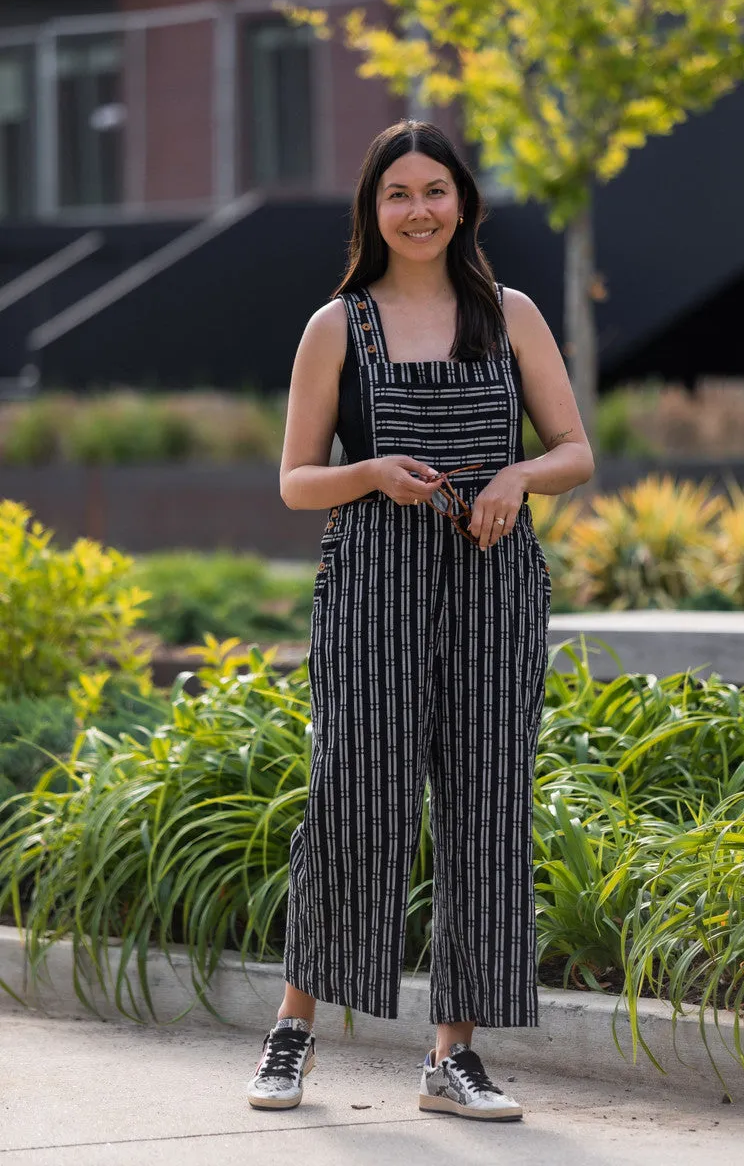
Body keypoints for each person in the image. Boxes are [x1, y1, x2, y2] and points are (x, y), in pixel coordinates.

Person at [246, 118, 594, 1122]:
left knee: (486, 808)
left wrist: (519, 475)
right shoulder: (336, 325)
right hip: (371, 586)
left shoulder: (511, 313)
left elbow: (573, 449)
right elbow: (294, 482)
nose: (417, 209)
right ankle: (293, 1031)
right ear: (373, 208)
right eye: (397, 192)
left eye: (434, 190)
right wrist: (365, 471)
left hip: (493, 583)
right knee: (352, 797)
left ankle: (453, 1057)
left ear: (462, 202)